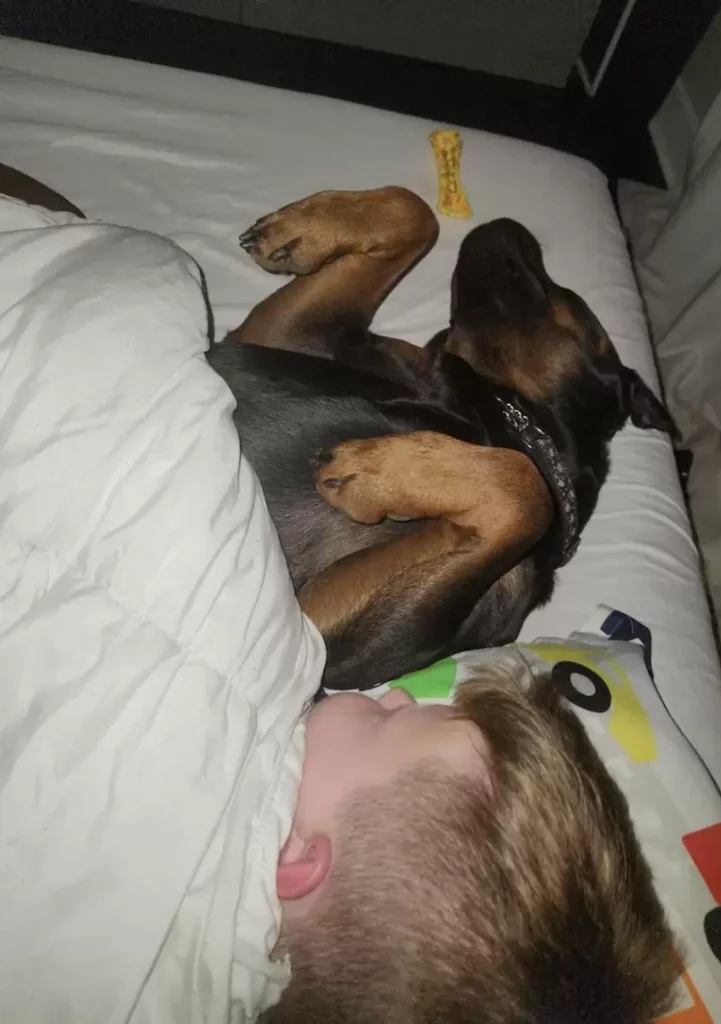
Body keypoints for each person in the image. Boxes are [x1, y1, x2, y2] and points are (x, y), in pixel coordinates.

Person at [0, 165, 678, 1023]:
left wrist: (512, 507)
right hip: (112, 400)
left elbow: (294, 638)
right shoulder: (430, 394)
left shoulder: (506, 567)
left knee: (61, 234)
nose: (391, 691)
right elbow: (247, 371)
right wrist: (398, 233)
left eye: (402, 715)